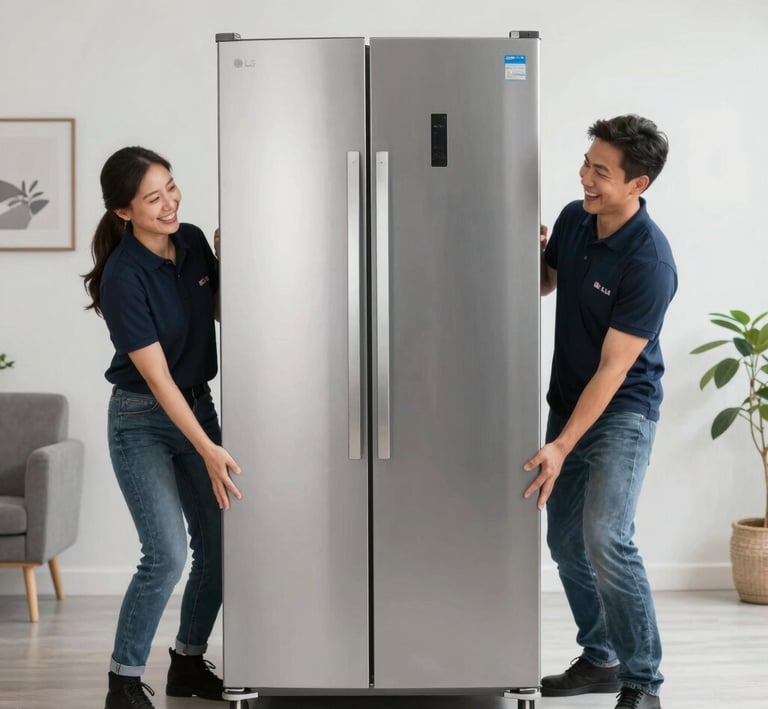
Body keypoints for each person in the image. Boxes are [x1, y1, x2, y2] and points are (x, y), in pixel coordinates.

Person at [523, 115, 677, 709]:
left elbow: (614, 370)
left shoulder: (649, 263)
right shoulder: (574, 218)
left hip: (622, 413)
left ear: (637, 185)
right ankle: (600, 657)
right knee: (564, 540)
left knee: (607, 537)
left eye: (601, 172)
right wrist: (524, 253)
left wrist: (561, 445)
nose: (585, 177)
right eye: (587, 163)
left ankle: (643, 682)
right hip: (568, 406)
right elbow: (545, 283)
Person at [83, 146, 242, 709]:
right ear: (124, 212)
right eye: (153, 198)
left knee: (223, 547)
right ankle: (123, 683)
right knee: (167, 554)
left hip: (198, 406)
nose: (170, 202)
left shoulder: (192, 240)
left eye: (171, 186)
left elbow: (222, 309)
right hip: (143, 421)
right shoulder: (122, 278)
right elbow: (157, 381)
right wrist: (208, 449)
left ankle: (187, 663)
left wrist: (239, 258)